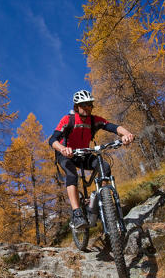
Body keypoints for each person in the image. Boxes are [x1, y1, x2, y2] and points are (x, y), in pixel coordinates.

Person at [48, 90, 135, 230]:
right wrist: (62, 149)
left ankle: (104, 200)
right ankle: (77, 213)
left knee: (104, 166)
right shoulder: (68, 120)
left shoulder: (94, 120)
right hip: (67, 154)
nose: (88, 108)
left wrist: (126, 134)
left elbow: (113, 127)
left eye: (90, 105)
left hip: (84, 153)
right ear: (76, 107)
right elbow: (52, 139)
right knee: (72, 175)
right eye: (84, 105)